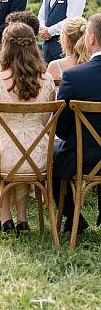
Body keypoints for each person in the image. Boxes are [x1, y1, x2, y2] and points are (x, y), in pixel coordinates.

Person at [0, 23, 56, 234]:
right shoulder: (48, 80)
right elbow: (44, 123)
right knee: (21, 150)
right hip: (39, 157)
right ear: (34, 46)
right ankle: (22, 219)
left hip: (4, 156)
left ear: (5, 46)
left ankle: (5, 218)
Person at [53, 13, 101, 233]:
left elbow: (60, 129)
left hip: (84, 157)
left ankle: (73, 216)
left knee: (51, 154)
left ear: (91, 39)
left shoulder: (73, 76)